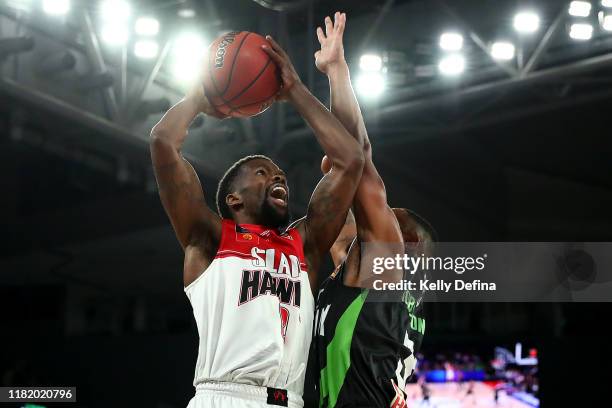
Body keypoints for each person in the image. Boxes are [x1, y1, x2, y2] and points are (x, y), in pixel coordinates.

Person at [150, 32, 364, 408]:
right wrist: (202, 96)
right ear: (233, 199)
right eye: (262, 173)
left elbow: (351, 160)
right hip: (224, 396)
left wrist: (295, 89)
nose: (277, 176)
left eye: (279, 173)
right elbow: (163, 143)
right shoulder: (209, 237)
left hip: (291, 400)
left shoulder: (305, 245)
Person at [312, 12, 433, 408]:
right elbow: (343, 207)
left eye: (385, 221)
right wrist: (339, 176)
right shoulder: (382, 291)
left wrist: (336, 72)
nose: (367, 221)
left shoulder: (381, 269)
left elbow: (358, 158)